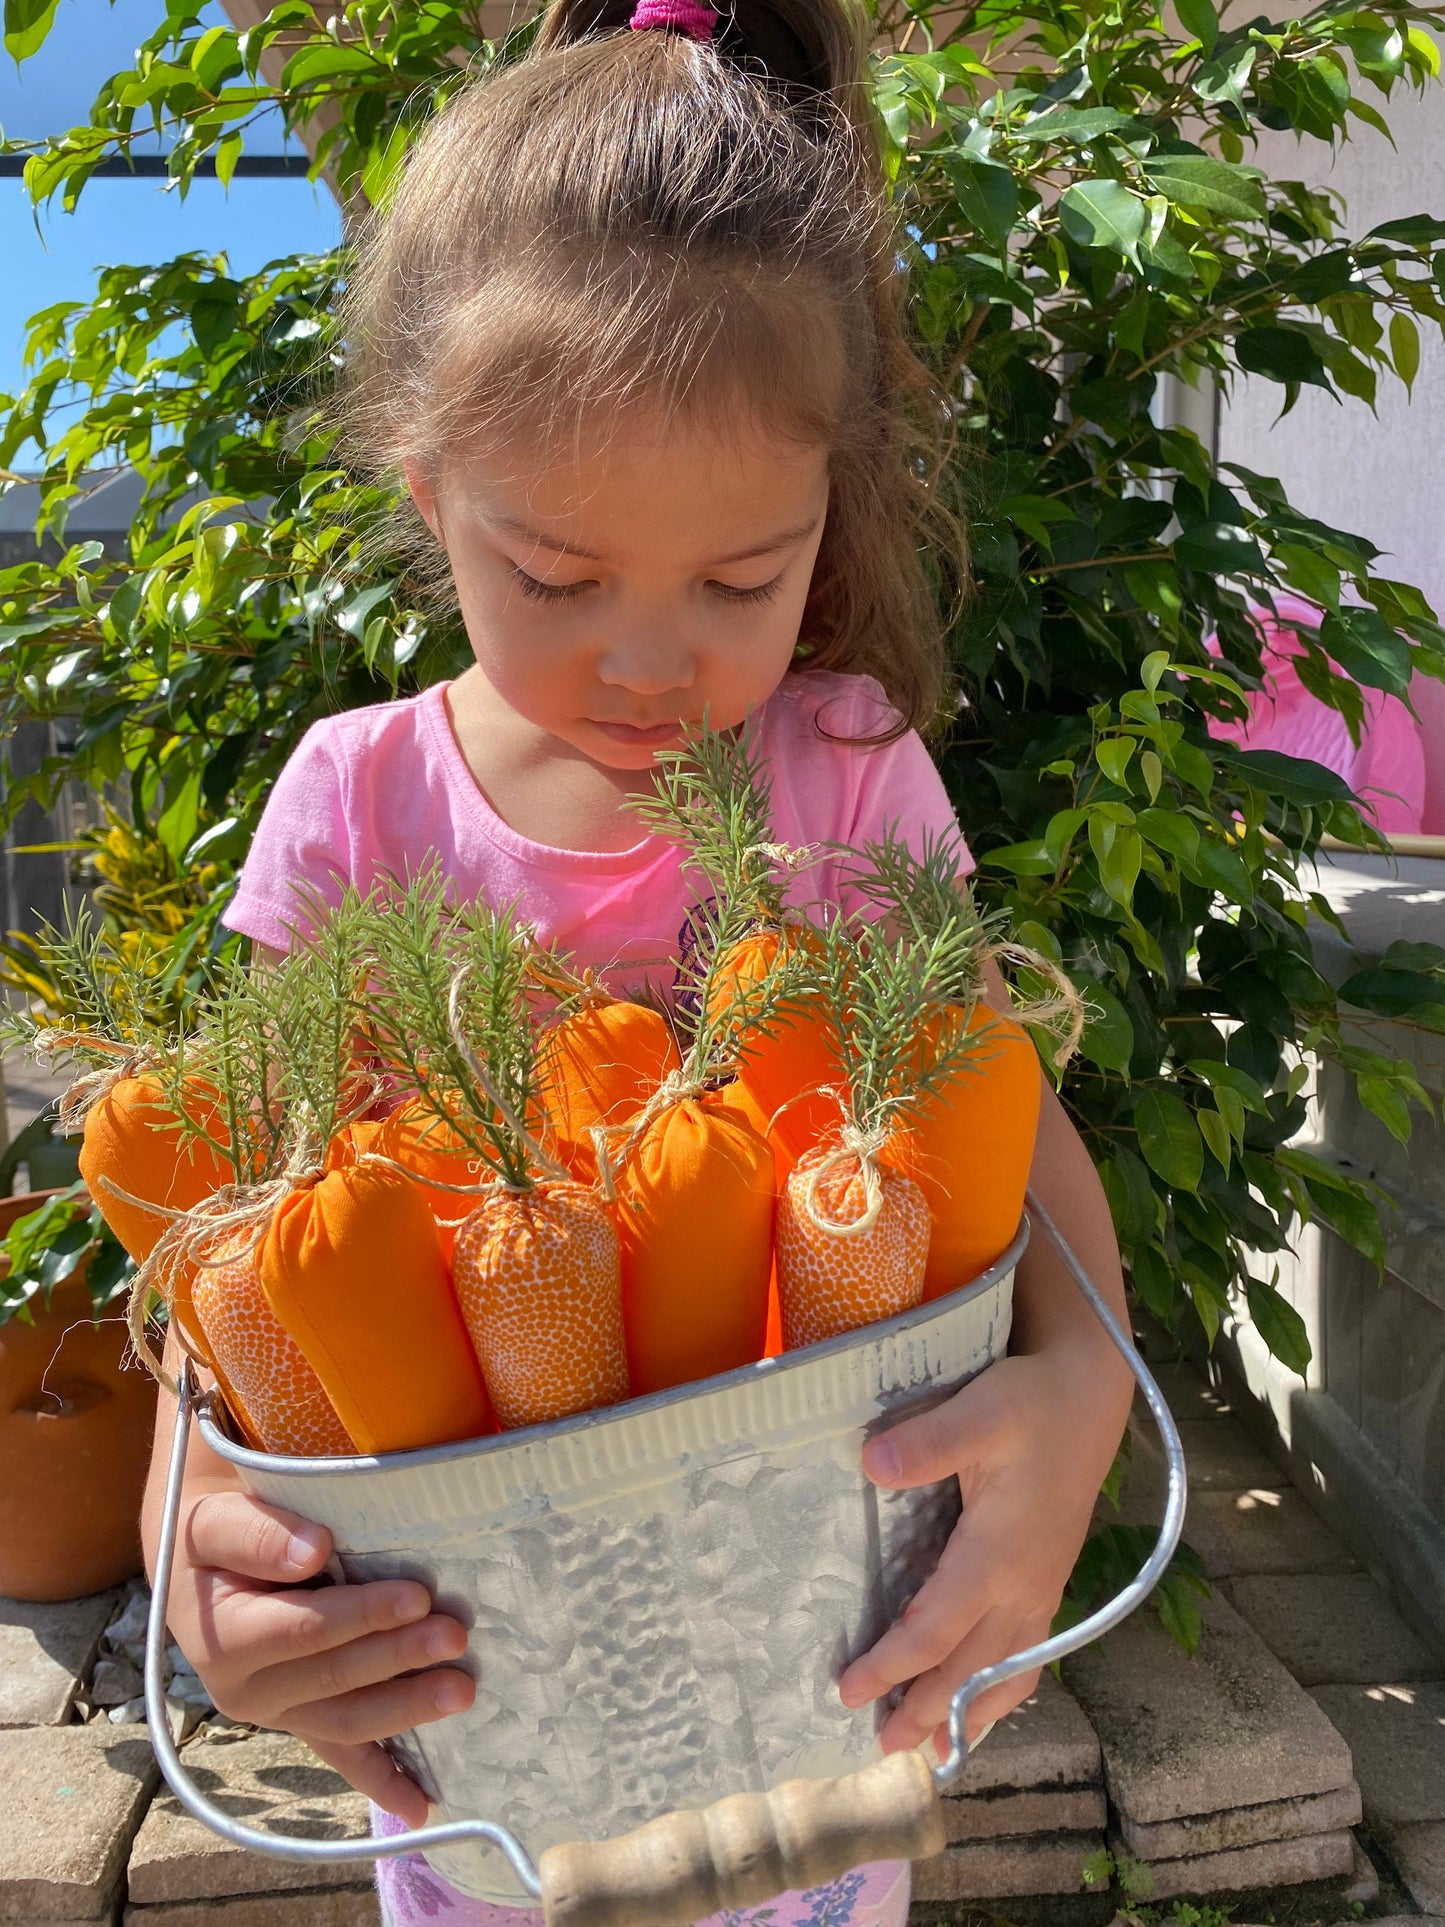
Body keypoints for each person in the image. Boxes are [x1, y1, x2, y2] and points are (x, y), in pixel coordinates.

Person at [139, 0, 1134, 1920]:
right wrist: (191, 1506)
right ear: (430, 498)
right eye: (560, 578)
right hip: (491, 1746)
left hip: (815, 1701)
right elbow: (230, 1228)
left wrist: (1083, 1397)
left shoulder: (843, 779)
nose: (653, 662)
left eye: (742, 581)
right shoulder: (356, 809)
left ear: (828, 510)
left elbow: (1007, 1120)